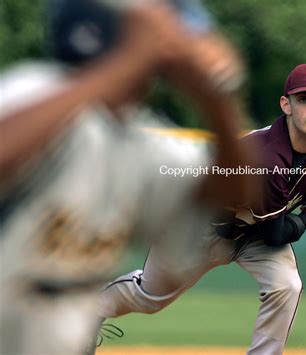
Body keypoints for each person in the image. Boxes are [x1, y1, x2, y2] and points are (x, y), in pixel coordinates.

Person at [0, 1, 254, 354]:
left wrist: (218, 101)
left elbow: (234, 194)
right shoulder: (32, 90)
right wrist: (128, 60)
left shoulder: (143, 143)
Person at [95, 63, 306, 354]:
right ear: (286, 105)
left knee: (285, 285)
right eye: (304, 99)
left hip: (253, 231)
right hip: (198, 226)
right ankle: (87, 310)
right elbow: (275, 234)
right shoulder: (266, 158)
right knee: (150, 298)